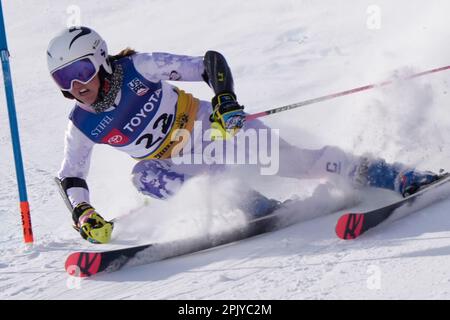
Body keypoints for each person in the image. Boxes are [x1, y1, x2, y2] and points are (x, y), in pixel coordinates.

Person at [48, 26, 441, 244]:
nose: (75, 86)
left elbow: (209, 64)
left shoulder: (141, 67)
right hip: (177, 165)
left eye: (79, 72)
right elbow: (71, 174)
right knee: (144, 176)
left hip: (215, 131)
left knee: (299, 163)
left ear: (100, 58)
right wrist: (83, 212)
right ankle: (255, 206)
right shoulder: (81, 124)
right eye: (63, 80)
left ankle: (395, 176)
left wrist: (225, 101)